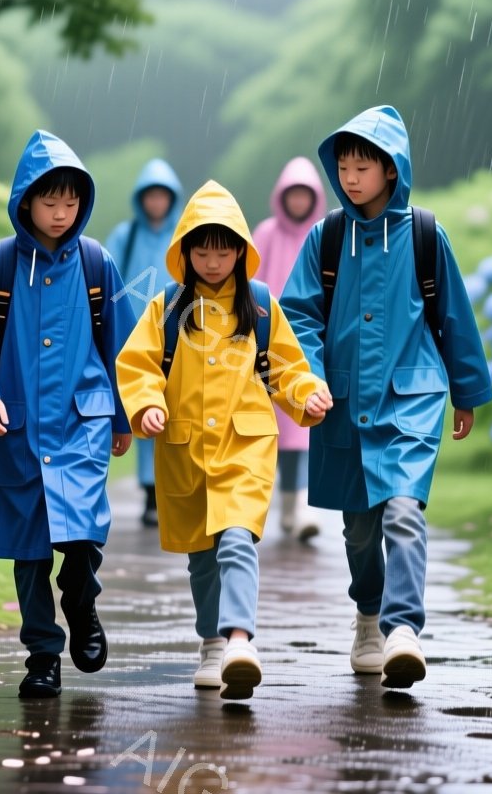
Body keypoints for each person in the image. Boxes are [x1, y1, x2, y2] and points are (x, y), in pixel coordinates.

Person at [279, 106, 492, 690]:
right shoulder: (326, 239)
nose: (350, 177)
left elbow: (453, 315)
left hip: (411, 399)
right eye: (343, 166)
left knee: (403, 510)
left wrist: (466, 390)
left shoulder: (424, 234)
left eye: (363, 166)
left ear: (390, 171)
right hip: (343, 402)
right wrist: (310, 378)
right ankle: (369, 616)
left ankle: (403, 630)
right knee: (359, 531)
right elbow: (297, 316)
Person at [115, 181, 332, 700]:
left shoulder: (258, 306)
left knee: (237, 539)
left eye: (224, 249)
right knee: (202, 557)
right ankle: (212, 641)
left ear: (240, 251)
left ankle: (239, 641)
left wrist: (308, 395)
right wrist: (146, 404)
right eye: (202, 249)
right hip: (185, 454)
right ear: (185, 252)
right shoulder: (166, 309)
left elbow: (286, 368)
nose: (213, 260)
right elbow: (138, 365)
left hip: (245, 448)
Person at [0, 130, 133, 699]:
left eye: (71, 202)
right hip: (15, 426)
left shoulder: (97, 264)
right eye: (49, 201)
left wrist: (124, 415)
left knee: (81, 534)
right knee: (27, 551)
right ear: (25, 200)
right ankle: (42, 655)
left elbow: (123, 345)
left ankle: (82, 601)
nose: (60, 213)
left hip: (82, 422)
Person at [250, 157, 328, 543]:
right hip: (267, 344)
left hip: (308, 341)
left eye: (305, 195)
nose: (298, 202)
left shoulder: (322, 234)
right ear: (283, 197)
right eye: (292, 195)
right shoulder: (266, 233)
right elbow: (249, 278)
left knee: (302, 429)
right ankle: (277, 505)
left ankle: (297, 509)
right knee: (271, 430)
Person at [105, 159, 184, 528]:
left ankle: (170, 489)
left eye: (162, 196)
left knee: (174, 409)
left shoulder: (182, 234)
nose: (156, 203)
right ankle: (151, 494)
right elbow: (108, 278)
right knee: (144, 408)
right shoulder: (126, 235)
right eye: (150, 196)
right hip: (135, 335)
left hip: (178, 334)